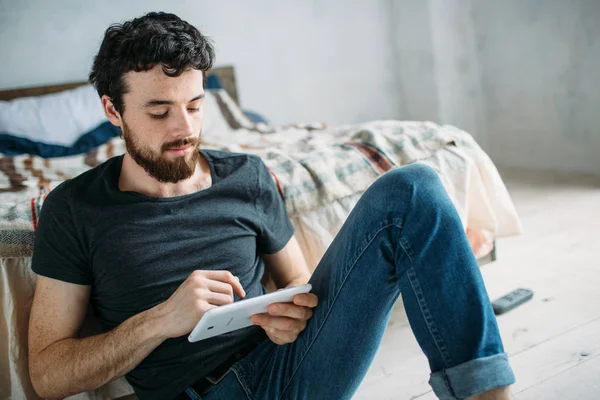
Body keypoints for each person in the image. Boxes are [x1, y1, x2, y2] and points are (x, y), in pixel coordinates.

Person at [28, 11, 515, 400]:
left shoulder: (247, 176)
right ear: (113, 110)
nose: (185, 129)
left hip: (294, 367)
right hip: (201, 394)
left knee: (415, 187)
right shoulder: (73, 209)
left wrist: (289, 316)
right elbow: (48, 375)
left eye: (195, 106)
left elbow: (300, 284)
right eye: (159, 111)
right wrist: (160, 321)